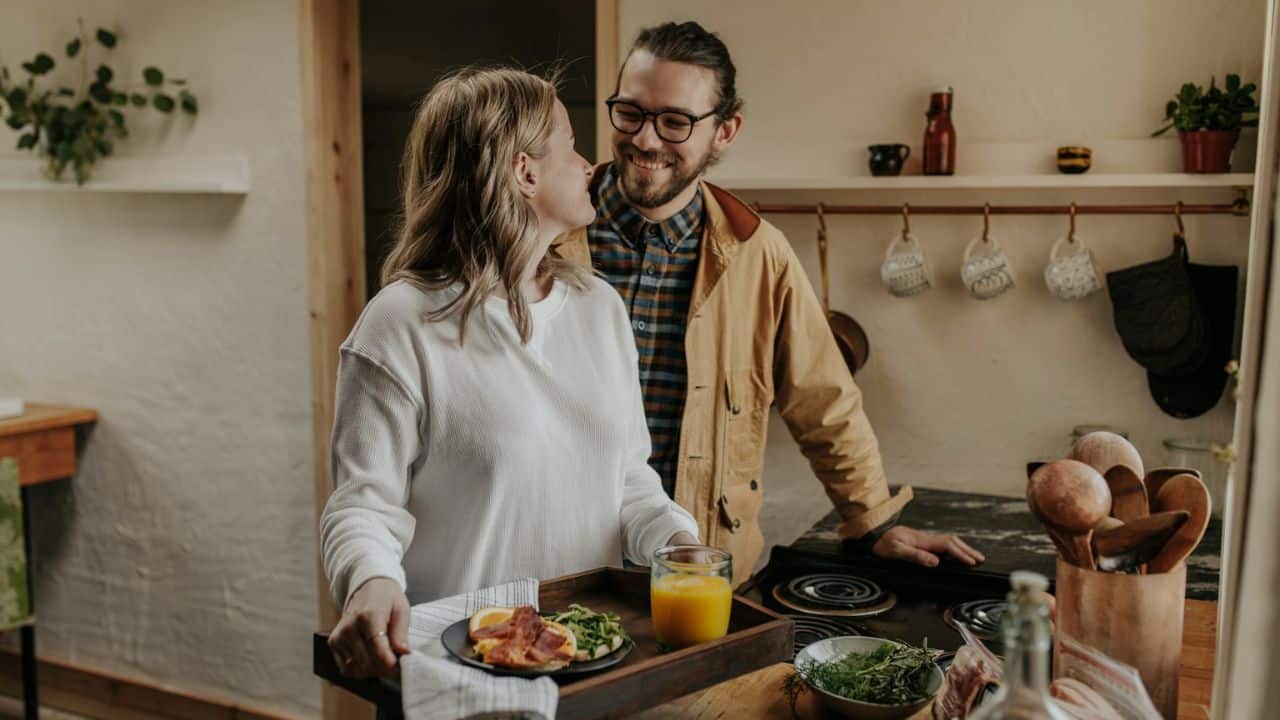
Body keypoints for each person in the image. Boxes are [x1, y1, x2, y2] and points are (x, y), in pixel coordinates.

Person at [556, 22, 984, 584]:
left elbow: (824, 402)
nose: (646, 139)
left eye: (675, 121)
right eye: (631, 113)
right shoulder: (545, 233)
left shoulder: (763, 257)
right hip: (559, 560)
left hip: (698, 570)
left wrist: (873, 521)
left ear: (725, 130)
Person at [320, 66, 700, 679]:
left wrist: (678, 544)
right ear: (524, 172)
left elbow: (628, 481)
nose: (588, 165)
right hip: (459, 671)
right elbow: (363, 507)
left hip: (590, 663)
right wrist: (369, 579)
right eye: (571, 146)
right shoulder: (400, 324)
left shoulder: (600, 310)